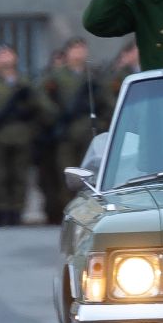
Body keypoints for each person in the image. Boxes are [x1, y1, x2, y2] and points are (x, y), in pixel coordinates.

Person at [0, 45, 55, 227]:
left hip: (22, 136)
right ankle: (2, 213)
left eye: (9, 54)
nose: (6, 58)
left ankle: (17, 212)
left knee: (19, 176)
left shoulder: (24, 83)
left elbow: (42, 106)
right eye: (2, 55)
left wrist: (31, 105)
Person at [38, 38, 100, 223]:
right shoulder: (56, 76)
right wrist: (56, 115)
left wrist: (100, 121)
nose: (79, 52)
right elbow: (41, 97)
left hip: (88, 133)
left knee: (92, 176)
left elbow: (106, 100)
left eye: (82, 48)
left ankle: (91, 215)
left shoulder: (93, 75)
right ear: (67, 53)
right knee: (67, 176)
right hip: (66, 134)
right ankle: (70, 216)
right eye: (75, 49)